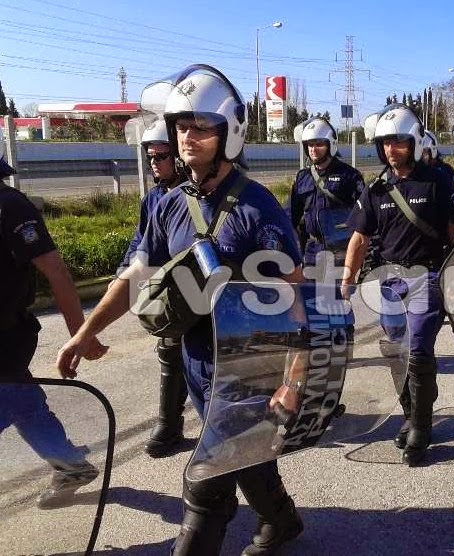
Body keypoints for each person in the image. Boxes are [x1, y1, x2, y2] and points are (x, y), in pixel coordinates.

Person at [56, 65, 305, 556]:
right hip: (196, 358)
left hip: (250, 364)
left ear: (228, 132)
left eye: (201, 127)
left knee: (206, 484)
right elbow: (134, 277)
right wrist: (85, 331)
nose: (189, 138)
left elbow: (297, 304)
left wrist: (293, 382)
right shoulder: (169, 204)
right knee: (245, 456)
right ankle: (284, 522)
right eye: (182, 127)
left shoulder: (259, 210)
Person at [342, 104, 454, 466]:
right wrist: (347, 277)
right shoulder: (376, 190)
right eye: (386, 143)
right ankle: (411, 412)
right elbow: (360, 238)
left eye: (399, 142)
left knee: (419, 349)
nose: (392, 150)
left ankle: (421, 430)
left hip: (427, 277)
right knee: (396, 351)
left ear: (414, 142)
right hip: (388, 282)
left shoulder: (438, 181)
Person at [0, 130, 108, 509]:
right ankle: (70, 463)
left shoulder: (10, 207)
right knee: (22, 402)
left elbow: (56, 271)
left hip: (6, 338)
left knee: (8, 395)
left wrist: (82, 334)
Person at [119, 120, 189, 458]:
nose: (153, 163)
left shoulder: (196, 193)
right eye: (150, 156)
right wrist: (123, 272)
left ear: (178, 157)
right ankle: (169, 424)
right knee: (170, 350)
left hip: (202, 289)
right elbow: (140, 241)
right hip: (170, 292)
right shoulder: (153, 199)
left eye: (161, 155)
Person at [288, 116, 364, 267]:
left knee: (338, 291)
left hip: (340, 252)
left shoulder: (350, 176)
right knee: (309, 291)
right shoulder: (303, 177)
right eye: (310, 144)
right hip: (311, 252)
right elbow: (291, 215)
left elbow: (365, 215)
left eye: (319, 144)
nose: (313, 149)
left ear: (330, 145)